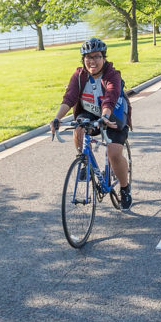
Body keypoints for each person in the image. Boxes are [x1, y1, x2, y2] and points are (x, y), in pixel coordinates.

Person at [50, 38, 133, 209]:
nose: (92, 61)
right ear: (83, 59)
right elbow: (69, 98)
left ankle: (125, 189)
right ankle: (85, 160)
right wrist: (57, 118)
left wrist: (104, 117)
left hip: (113, 114)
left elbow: (110, 97)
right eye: (88, 57)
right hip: (89, 112)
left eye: (96, 56)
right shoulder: (79, 75)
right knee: (79, 128)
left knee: (114, 153)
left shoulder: (112, 75)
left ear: (104, 58)